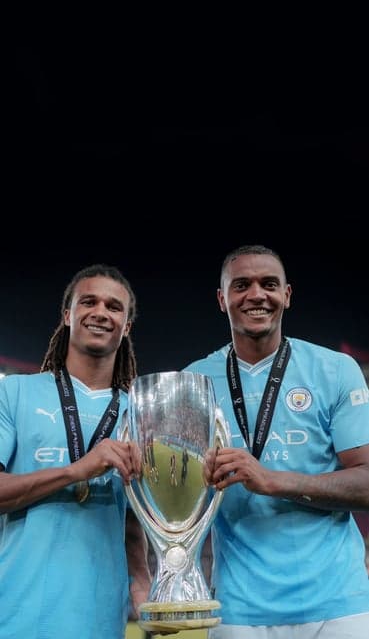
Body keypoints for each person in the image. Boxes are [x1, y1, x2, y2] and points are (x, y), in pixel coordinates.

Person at [183, 244, 369, 639]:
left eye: (269, 284)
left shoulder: (335, 370)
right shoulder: (192, 382)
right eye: (241, 285)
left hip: (339, 605)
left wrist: (272, 480)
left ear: (287, 294)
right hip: (237, 611)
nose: (256, 295)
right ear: (222, 299)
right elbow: (178, 497)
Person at [0, 263, 151, 639]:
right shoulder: (13, 394)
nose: (101, 312)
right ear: (68, 315)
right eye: (89, 302)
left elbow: (133, 518)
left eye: (114, 307)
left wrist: (142, 580)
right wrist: (77, 470)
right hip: (16, 613)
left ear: (127, 326)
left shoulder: (140, 413)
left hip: (100, 619)